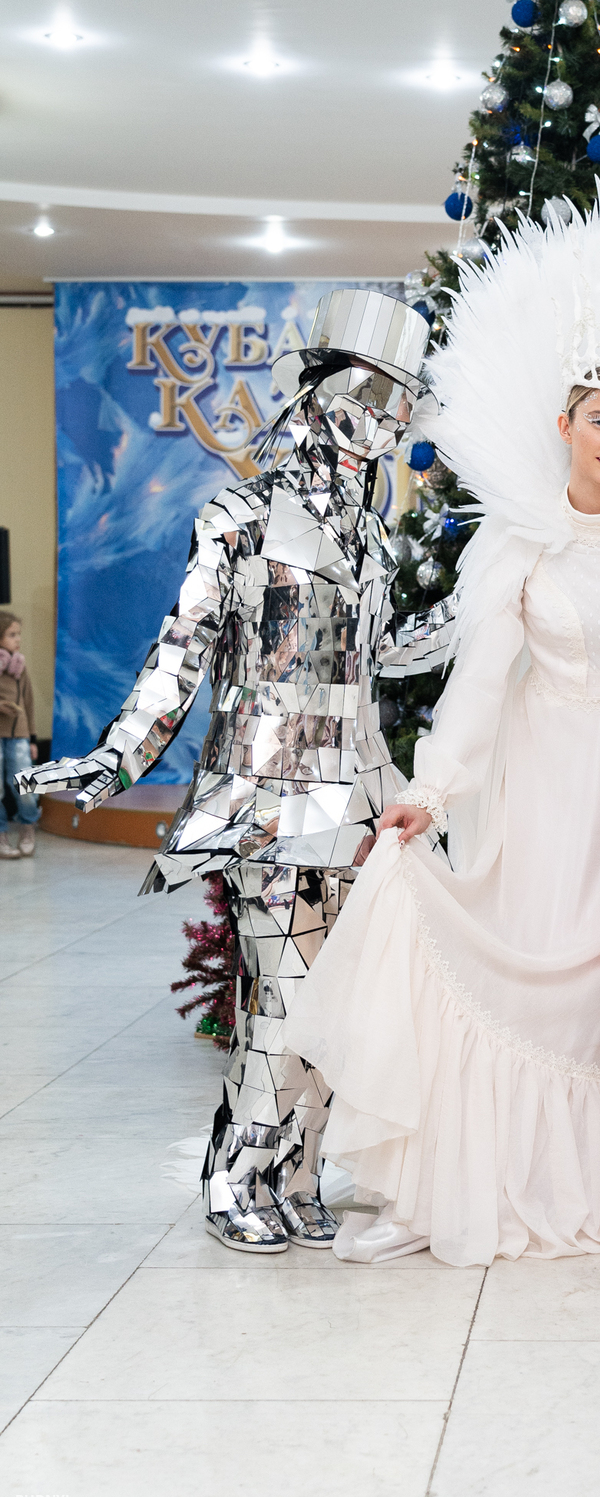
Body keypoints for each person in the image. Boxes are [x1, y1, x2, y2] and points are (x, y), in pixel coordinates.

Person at [281, 197, 600, 1267]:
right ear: (564, 425)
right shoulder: (517, 542)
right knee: (519, 959)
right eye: (599, 420)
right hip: (538, 777)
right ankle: (471, 1183)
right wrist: (434, 791)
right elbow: (479, 680)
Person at [20, 291, 450, 1253]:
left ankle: (298, 1176)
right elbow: (183, 647)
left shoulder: (373, 538)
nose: (386, 425)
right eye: (371, 398)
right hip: (269, 793)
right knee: (283, 1001)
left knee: (338, 1006)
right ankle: (235, 1174)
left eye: (400, 408)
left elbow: (380, 655)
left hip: (363, 796)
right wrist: (118, 755)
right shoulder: (241, 515)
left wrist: (488, 612)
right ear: (319, 392)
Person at [0, 616, 40, 858]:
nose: (18, 639)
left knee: (24, 786)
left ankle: (27, 827)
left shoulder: (19, 666)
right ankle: (1, 835)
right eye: (12, 635)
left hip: (19, 735)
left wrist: (32, 739)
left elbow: (29, 703)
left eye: (19, 634)